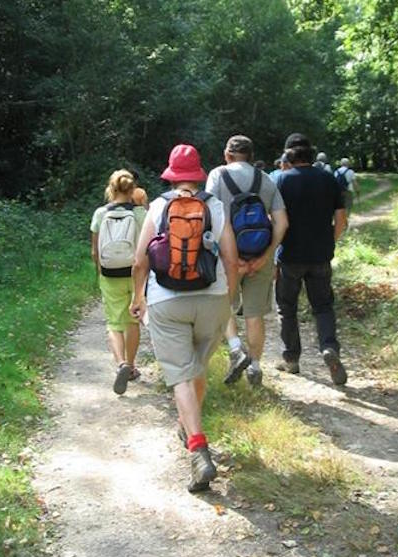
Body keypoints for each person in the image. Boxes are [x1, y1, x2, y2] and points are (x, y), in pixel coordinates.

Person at [130, 144, 239, 493]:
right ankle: (188, 424)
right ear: (198, 174)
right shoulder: (215, 205)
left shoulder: (159, 206)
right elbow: (232, 258)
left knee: (180, 374)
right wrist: (230, 297)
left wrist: (138, 297)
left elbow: (139, 262)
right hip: (212, 298)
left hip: (166, 301)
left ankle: (196, 446)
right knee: (196, 368)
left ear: (171, 175)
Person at [206, 135, 288, 387]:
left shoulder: (217, 175)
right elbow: (282, 222)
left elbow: (210, 216)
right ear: (251, 156)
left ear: (227, 155)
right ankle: (255, 367)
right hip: (259, 255)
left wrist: (230, 259)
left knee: (224, 306)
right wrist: (266, 256)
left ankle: (235, 349)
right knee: (254, 315)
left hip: (228, 258)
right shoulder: (265, 179)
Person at [276, 133, 348, 385]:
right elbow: (341, 220)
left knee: (287, 308)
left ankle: (291, 359)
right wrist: (330, 242)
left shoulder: (282, 181)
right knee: (323, 306)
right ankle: (329, 348)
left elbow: (276, 221)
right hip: (321, 255)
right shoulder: (329, 179)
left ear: (288, 156)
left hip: (291, 256)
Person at [90, 169, 147, 395]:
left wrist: (100, 272)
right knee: (132, 321)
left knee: (114, 322)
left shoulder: (100, 213)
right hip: (135, 273)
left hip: (110, 273)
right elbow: (147, 249)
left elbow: (95, 250)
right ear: (132, 190)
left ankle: (121, 363)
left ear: (111, 189)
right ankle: (131, 367)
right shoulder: (141, 214)